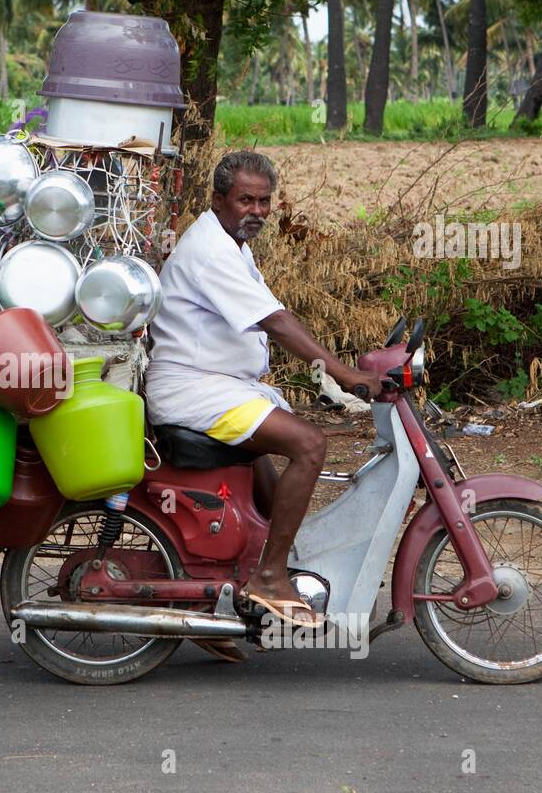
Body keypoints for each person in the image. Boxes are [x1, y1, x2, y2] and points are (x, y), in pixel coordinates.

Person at [146, 151, 383, 627]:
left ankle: (255, 575)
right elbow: (274, 320)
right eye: (245, 200)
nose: (256, 211)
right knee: (309, 445)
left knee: (270, 477)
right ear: (218, 200)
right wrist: (341, 372)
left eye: (264, 201)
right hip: (196, 392)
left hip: (224, 387)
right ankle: (270, 576)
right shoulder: (212, 250)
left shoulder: (231, 242)